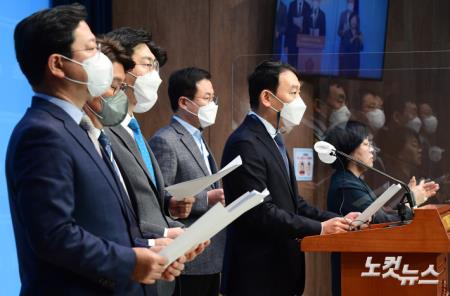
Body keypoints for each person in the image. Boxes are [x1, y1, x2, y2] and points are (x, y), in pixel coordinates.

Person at [6, 4, 184, 295]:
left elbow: (101, 225)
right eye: (90, 50)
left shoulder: (78, 127)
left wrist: (151, 247)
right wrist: (130, 261)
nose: (101, 59)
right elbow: (54, 236)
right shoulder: (42, 133)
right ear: (57, 64)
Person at [220, 60, 357, 296]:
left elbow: (294, 204)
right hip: (257, 276)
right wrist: (320, 228)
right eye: (293, 92)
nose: (299, 101)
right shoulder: (245, 142)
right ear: (267, 98)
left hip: (280, 271)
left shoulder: (273, 138)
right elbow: (259, 213)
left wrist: (337, 220)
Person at [104, 28, 205, 296]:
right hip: (133, 270)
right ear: (120, 69)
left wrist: (171, 208)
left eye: (157, 67)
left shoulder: (136, 131)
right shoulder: (102, 131)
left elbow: (146, 200)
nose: (155, 77)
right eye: (148, 65)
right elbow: (118, 211)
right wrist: (166, 232)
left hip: (159, 272)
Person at [325, 121, 437, 296]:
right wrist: (411, 203)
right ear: (350, 150)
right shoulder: (346, 184)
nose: (372, 150)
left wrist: (410, 201)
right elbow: (379, 221)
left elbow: (380, 214)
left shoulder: (354, 181)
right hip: (354, 269)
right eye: (367, 144)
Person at [149, 67, 225, 296]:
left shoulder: (199, 138)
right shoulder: (165, 140)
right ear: (184, 102)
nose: (213, 105)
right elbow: (160, 198)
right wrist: (206, 199)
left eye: (214, 98)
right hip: (187, 259)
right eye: (207, 98)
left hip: (211, 255)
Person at [285, 0, 311, 67]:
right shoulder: (292, 4)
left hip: (302, 43)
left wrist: (303, 28)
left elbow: (308, 26)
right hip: (291, 41)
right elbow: (288, 25)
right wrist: (286, 44)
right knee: (290, 66)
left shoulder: (307, 6)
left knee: (300, 66)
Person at [339, 12, 363, 77]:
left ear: (357, 22)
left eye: (355, 20)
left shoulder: (359, 33)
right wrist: (353, 38)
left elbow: (361, 48)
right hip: (347, 62)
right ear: (350, 21)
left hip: (355, 62)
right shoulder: (346, 33)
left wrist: (361, 41)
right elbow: (346, 45)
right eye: (352, 20)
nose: (354, 22)